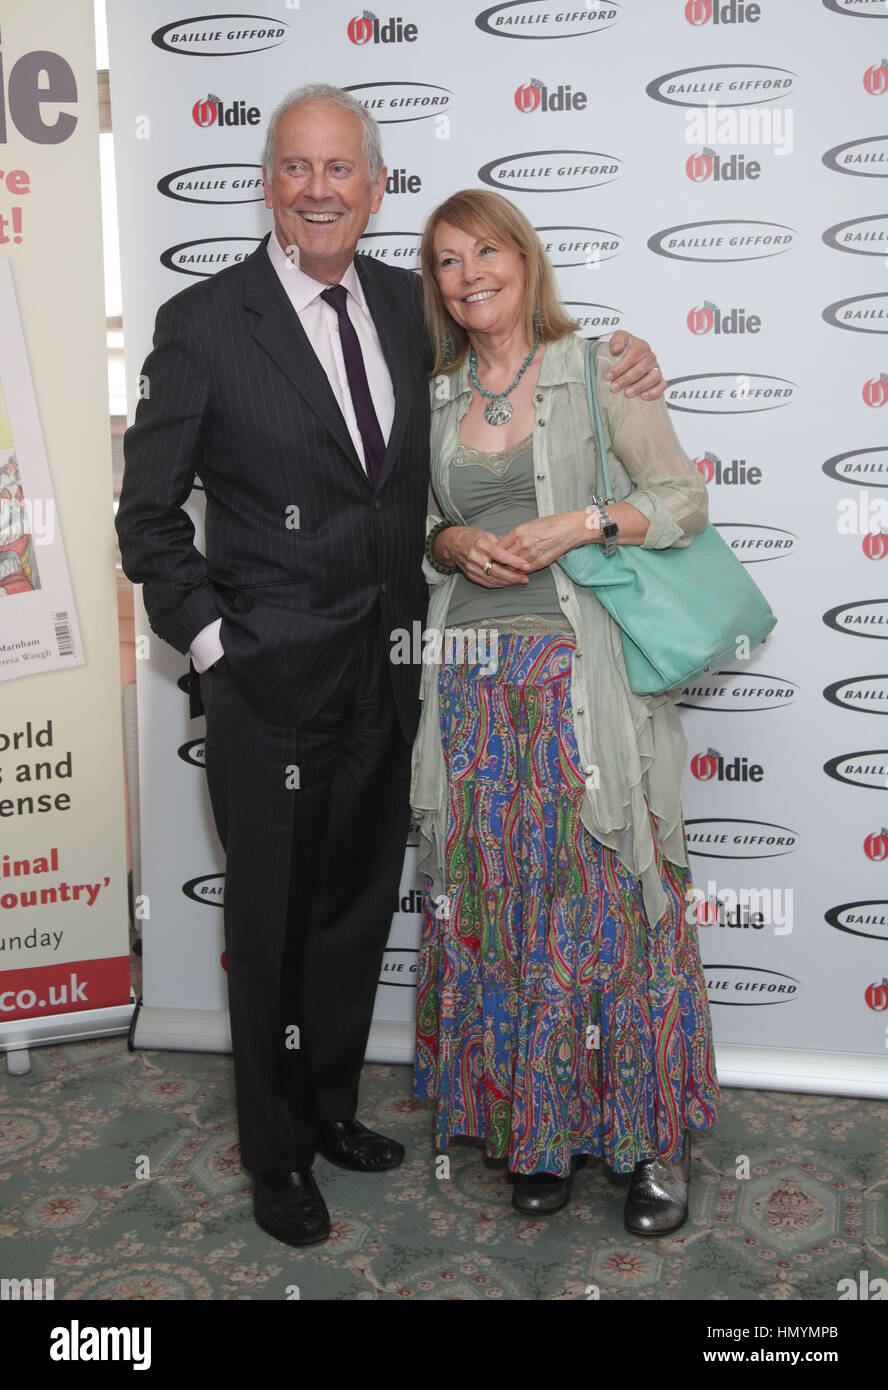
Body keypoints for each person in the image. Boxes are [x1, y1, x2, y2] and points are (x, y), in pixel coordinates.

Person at [115, 85, 667, 1248]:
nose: (317, 189)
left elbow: (522, 377)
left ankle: (329, 1112)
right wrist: (218, 649)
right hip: (267, 685)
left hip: (399, 674)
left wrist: (630, 366)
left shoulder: (412, 305)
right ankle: (276, 1156)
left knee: (358, 911)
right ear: (269, 181)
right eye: (295, 168)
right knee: (268, 927)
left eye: (340, 170)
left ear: (375, 187)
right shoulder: (204, 321)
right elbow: (150, 519)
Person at [411, 189, 719, 1232]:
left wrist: (579, 524)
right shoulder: (439, 395)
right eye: (448, 262)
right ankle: (535, 1135)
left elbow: (681, 497)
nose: (469, 276)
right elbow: (424, 527)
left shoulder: (598, 370)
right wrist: (455, 544)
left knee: (616, 916)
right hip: (472, 693)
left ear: (524, 260)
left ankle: (649, 1148)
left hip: (584, 695)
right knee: (505, 917)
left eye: (485, 251)